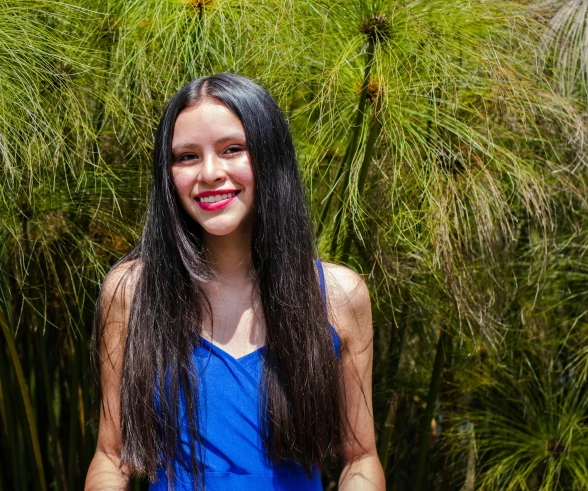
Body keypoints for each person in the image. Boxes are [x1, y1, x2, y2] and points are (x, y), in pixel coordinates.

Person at [85, 73, 385, 491]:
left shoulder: (338, 296)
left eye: (232, 149)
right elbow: (111, 457)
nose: (209, 172)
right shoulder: (133, 291)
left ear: (270, 154)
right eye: (186, 156)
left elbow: (361, 460)